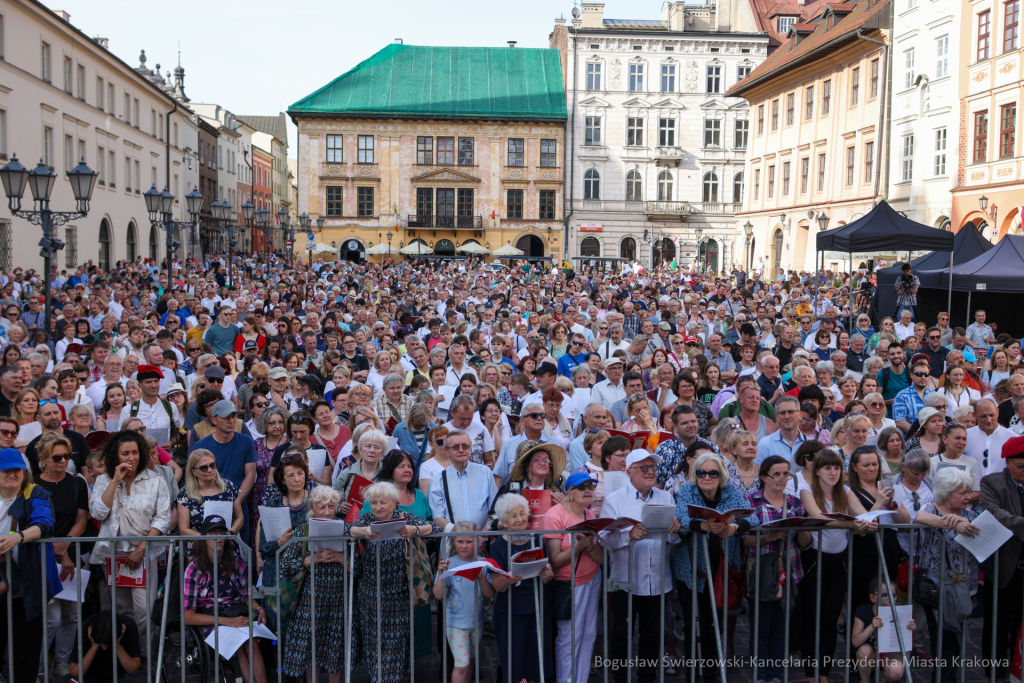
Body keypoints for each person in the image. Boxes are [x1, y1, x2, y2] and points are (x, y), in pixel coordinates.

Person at [674, 452, 758, 683]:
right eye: (701, 472)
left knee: (714, 626)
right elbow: (681, 517)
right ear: (695, 474)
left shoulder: (731, 491)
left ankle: (711, 676)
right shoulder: (688, 490)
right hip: (691, 571)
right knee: (693, 626)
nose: (707, 477)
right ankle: (692, 675)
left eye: (713, 472)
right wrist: (704, 525)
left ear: (721, 475)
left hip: (721, 570)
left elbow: (753, 518)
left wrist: (735, 527)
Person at [798, 449, 881, 683]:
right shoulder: (806, 490)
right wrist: (852, 522)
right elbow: (818, 517)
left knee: (830, 618)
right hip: (814, 559)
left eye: (836, 468)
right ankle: (809, 673)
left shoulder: (845, 490)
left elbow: (864, 515)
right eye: (827, 468)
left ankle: (823, 673)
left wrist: (867, 520)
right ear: (817, 471)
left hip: (840, 561)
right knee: (812, 617)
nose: (833, 472)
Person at [89, 430, 172, 662]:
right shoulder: (104, 480)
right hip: (113, 554)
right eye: (125, 453)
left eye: (135, 452)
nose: (131, 458)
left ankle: (145, 657)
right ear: (115, 455)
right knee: (121, 609)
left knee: (144, 611)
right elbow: (97, 512)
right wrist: (114, 480)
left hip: (144, 554)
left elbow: (162, 518)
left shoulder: (155, 480)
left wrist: (141, 548)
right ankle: (127, 659)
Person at [600, 449, 680, 683]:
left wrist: (675, 532)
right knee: (622, 635)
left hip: (657, 580)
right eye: (644, 468)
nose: (650, 472)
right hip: (625, 581)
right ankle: (620, 678)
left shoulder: (665, 497)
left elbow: (674, 540)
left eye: (652, 468)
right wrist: (628, 536)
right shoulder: (614, 500)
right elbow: (604, 539)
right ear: (629, 472)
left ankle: (647, 677)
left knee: (652, 636)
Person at [348, 482, 437, 683]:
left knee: (397, 643)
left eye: (383, 502)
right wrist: (364, 532)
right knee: (375, 643)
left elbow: (434, 527)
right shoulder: (368, 518)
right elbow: (350, 529)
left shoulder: (403, 518)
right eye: (374, 502)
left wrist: (414, 529)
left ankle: (393, 678)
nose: (378, 507)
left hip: (399, 595)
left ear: (394, 503)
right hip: (371, 595)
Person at [743, 455, 811, 683]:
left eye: (786, 474)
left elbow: (804, 543)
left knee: (782, 628)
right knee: (762, 627)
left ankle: (775, 674)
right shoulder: (750, 502)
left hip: (790, 570)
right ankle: (759, 674)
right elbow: (743, 540)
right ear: (764, 477)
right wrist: (770, 535)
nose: (782, 478)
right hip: (761, 572)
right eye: (777, 474)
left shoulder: (794, 502)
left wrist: (800, 526)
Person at [913, 468, 981, 683]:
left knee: (958, 638)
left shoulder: (971, 514)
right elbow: (920, 517)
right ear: (945, 493)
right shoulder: (929, 508)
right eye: (962, 493)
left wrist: (962, 522)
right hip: (936, 587)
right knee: (943, 639)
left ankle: (945, 677)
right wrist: (951, 522)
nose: (968, 497)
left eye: (968, 491)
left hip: (964, 588)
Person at [183, 514, 269, 683]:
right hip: (209, 619)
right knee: (241, 640)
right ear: (204, 537)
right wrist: (227, 622)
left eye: (221, 531)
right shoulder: (193, 569)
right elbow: (188, 616)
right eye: (212, 532)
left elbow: (245, 596)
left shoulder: (237, 563)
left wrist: (259, 609)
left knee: (249, 639)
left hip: (235, 612)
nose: (218, 536)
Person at [278, 486, 348, 683]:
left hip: (338, 602)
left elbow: (359, 567)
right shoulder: (302, 530)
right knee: (311, 653)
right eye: (321, 507)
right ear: (312, 508)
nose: (326, 512)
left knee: (335, 650)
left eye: (331, 506)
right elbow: (285, 565)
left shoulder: (346, 528)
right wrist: (312, 559)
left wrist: (340, 558)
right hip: (309, 603)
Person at [34, 434, 89, 677]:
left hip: (71, 551)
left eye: (67, 456)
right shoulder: (32, 485)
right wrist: (56, 549)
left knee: (73, 615)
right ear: (43, 459)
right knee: (52, 618)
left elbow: (81, 519)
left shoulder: (77, 483)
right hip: (41, 555)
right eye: (57, 457)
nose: (63, 461)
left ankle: (62, 666)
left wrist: (64, 547)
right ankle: (37, 666)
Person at [543, 471, 605, 683]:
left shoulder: (591, 516)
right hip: (568, 585)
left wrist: (588, 547)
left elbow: (599, 557)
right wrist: (580, 545)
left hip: (592, 579)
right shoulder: (554, 515)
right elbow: (556, 560)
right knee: (570, 638)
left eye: (591, 486)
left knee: (588, 635)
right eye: (582, 487)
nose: (588, 490)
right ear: (569, 493)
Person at [488, 493, 555, 683]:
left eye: (522, 513)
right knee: (514, 661)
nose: (520, 519)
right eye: (513, 516)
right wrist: (508, 579)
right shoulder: (498, 546)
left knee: (536, 660)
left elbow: (547, 574)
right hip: (510, 610)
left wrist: (548, 574)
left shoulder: (537, 540)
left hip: (537, 607)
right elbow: (497, 586)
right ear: (505, 521)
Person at [979, 434, 1024, 682]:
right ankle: (996, 675)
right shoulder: (992, 483)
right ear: (1008, 462)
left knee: (1021, 625)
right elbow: (993, 513)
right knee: (996, 626)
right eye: (1021, 466)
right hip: (1002, 567)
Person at [432, 520, 495, 683]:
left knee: (470, 662)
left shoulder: (483, 563)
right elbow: (439, 595)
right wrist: (441, 574)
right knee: (462, 664)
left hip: (477, 623)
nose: (464, 545)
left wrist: (481, 576)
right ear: (454, 542)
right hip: (454, 624)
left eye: (469, 541)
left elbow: (489, 594)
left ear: (476, 541)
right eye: (460, 541)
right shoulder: (448, 563)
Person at [257, 452, 310, 631]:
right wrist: (279, 543)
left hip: (305, 575)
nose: (297, 479)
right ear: (282, 480)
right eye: (291, 475)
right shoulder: (272, 505)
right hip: (276, 574)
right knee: (277, 628)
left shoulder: (316, 503)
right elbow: (263, 547)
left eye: (300, 473)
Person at [191, 400, 258, 539]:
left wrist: (236, 503)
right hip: (209, 508)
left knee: (239, 556)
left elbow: (250, 476)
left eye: (233, 416)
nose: (231, 420)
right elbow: (195, 478)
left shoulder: (246, 441)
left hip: (239, 507)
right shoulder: (200, 446)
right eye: (226, 417)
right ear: (214, 420)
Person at [428, 429, 498, 530]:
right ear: (447, 452)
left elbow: (495, 509)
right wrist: (460, 537)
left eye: (465, 446)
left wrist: (483, 536)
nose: (461, 450)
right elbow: (438, 517)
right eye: (455, 447)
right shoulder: (438, 480)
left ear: (470, 449)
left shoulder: (485, 473)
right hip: (453, 542)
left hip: (483, 541)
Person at [850, 577, 917, 683]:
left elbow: (906, 643)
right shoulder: (863, 611)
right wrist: (871, 627)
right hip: (870, 653)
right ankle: (865, 680)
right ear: (873, 598)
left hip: (890, 653)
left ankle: (882, 680)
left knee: (897, 671)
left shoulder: (901, 612)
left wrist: (910, 629)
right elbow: (855, 641)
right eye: (884, 595)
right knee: (864, 650)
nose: (890, 599)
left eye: (893, 595)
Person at [175, 448, 243, 537]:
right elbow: (184, 530)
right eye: (203, 468)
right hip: (198, 547)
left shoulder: (229, 487)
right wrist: (207, 540)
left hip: (226, 545)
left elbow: (239, 517)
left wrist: (229, 534)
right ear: (193, 472)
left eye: (212, 465)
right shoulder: (185, 494)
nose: (210, 470)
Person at [67, 611, 143, 683]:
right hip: (92, 675)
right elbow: (75, 672)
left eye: (108, 644)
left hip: (121, 676)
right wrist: (94, 646)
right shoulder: (84, 628)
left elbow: (133, 670)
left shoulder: (128, 625)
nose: (104, 648)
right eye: (101, 644)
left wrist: (117, 644)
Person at [334, 429, 386, 516]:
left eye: (377, 447)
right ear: (360, 450)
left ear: (382, 453)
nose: (372, 450)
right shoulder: (347, 474)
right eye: (368, 446)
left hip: (377, 525)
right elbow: (333, 501)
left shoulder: (387, 475)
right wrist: (339, 508)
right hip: (350, 525)